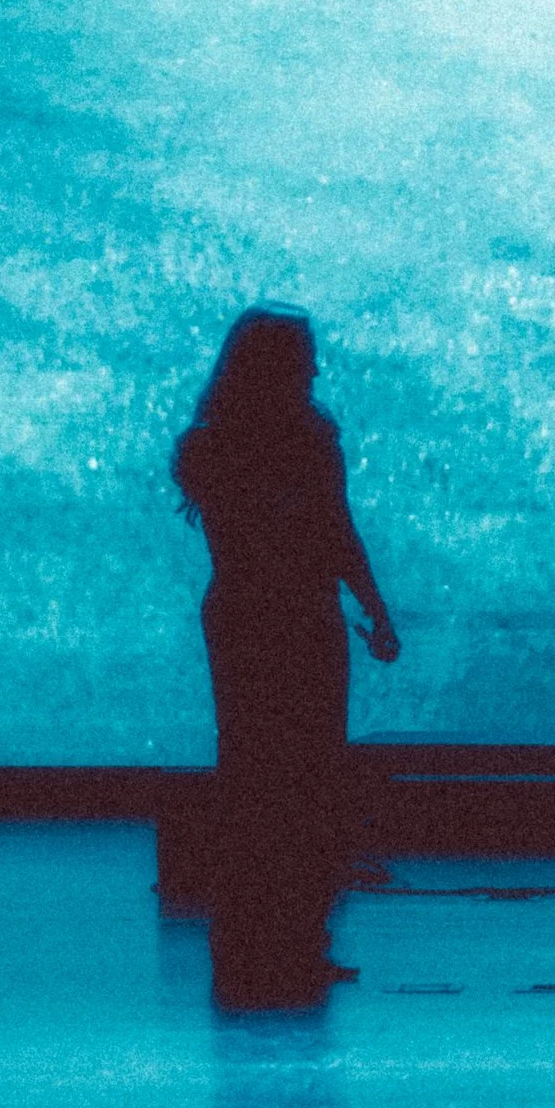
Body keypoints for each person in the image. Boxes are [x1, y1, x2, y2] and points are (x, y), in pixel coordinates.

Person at [173, 305, 399, 1004]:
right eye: (305, 357)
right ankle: (284, 938)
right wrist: (373, 607)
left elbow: (326, 529)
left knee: (271, 772)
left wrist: (372, 605)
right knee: (290, 774)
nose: (317, 370)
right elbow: (333, 531)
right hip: (288, 616)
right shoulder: (295, 442)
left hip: (258, 614)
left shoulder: (213, 444)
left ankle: (270, 939)